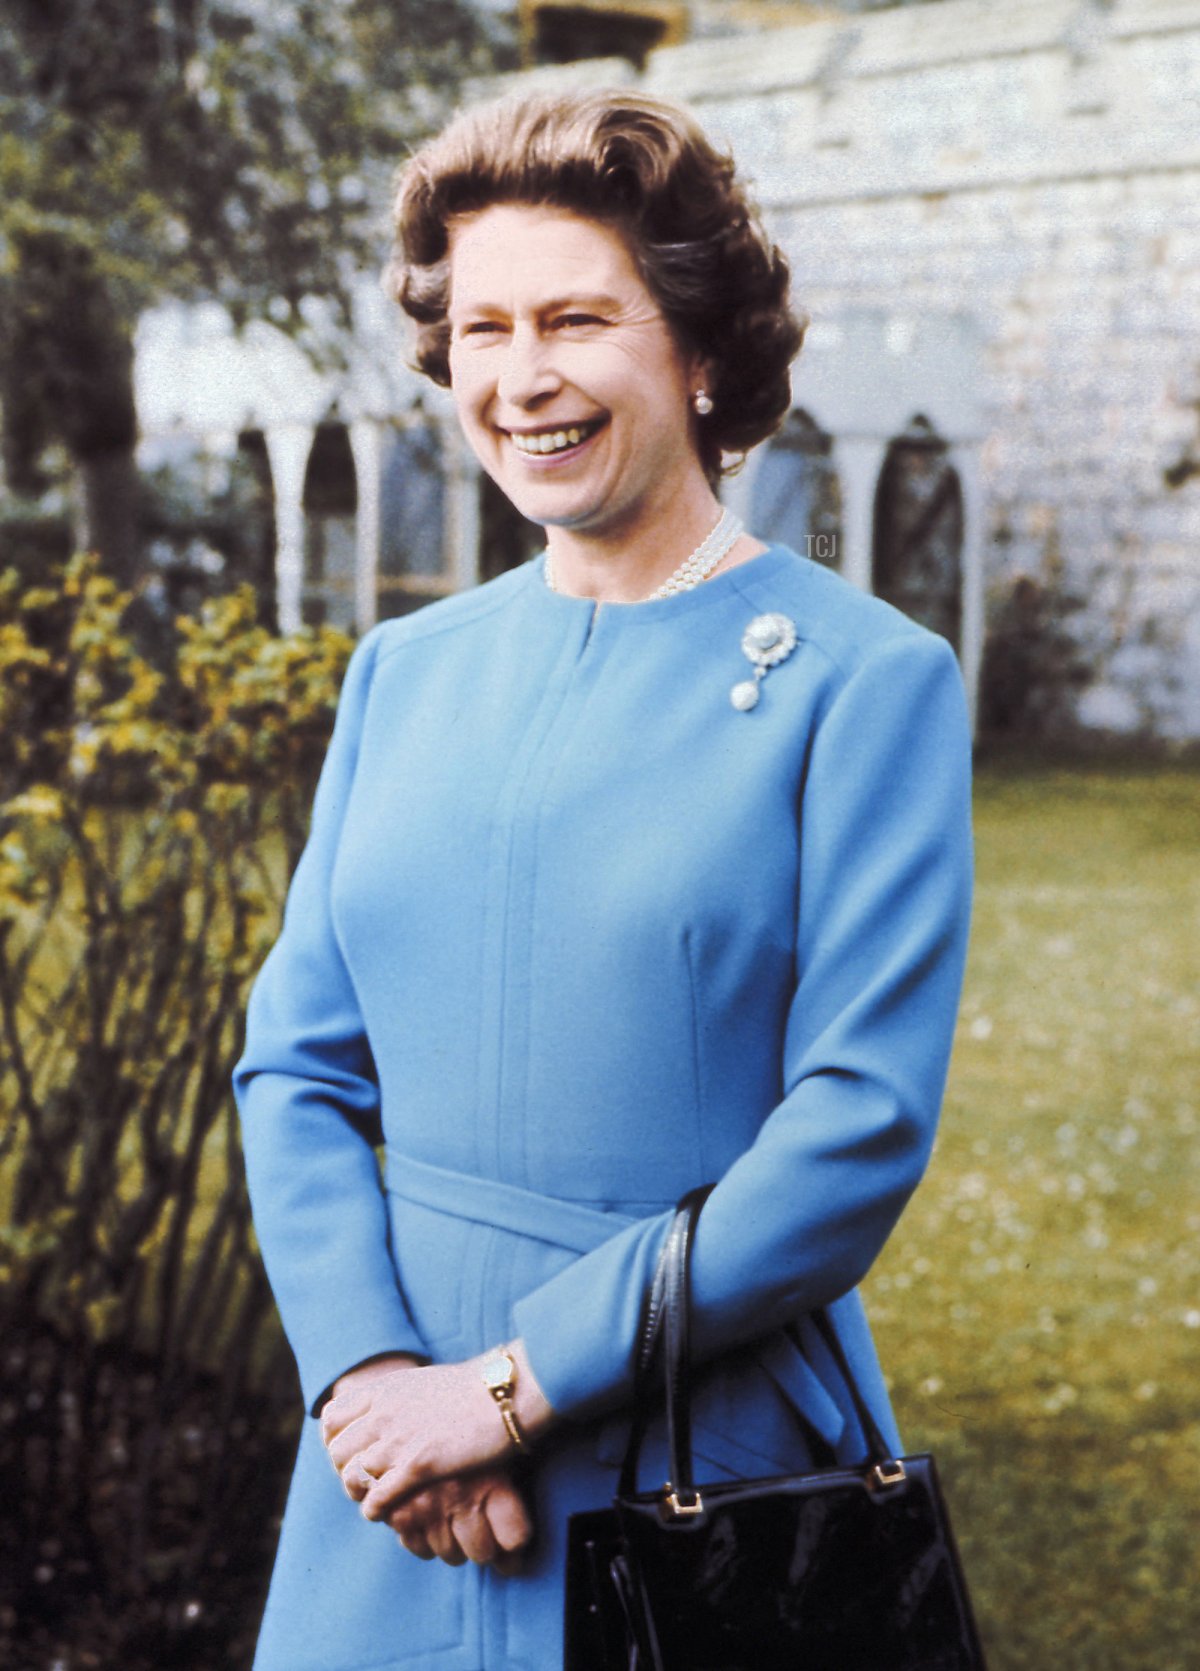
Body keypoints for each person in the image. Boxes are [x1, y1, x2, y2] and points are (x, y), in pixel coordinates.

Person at [233, 87, 973, 1671]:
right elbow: (295, 1067)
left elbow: (857, 1129)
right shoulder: (402, 672)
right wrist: (371, 1382)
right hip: (387, 1471)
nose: (523, 376)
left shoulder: (870, 682)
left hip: (691, 1450)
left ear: (701, 349)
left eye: (576, 319)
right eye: (483, 329)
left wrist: (506, 1393)